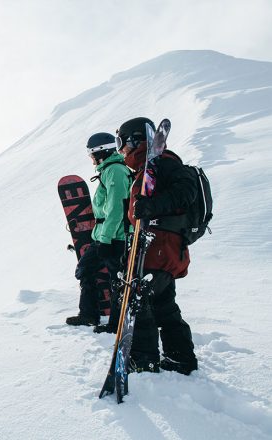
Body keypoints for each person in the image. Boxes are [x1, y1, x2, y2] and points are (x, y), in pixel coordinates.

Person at [116, 116, 198, 375]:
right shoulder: (146, 170)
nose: (121, 150)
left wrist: (151, 206)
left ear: (136, 141)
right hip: (162, 250)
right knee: (163, 304)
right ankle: (180, 357)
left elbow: (187, 190)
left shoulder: (164, 163)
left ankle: (143, 360)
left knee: (137, 303)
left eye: (122, 143)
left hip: (159, 249)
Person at [66, 133, 131, 327]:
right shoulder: (109, 170)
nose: (91, 160)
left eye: (91, 155)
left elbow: (116, 209)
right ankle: (88, 314)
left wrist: (106, 239)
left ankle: (116, 324)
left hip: (114, 237)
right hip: (104, 236)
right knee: (85, 269)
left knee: (116, 279)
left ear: (101, 152)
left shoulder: (116, 171)